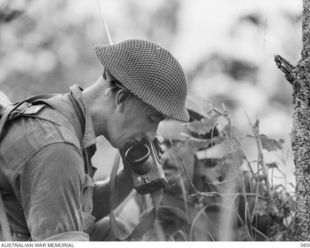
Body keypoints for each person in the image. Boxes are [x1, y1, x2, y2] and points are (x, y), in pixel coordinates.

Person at [0, 39, 189, 241]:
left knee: (112, 231)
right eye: (152, 119)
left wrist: (128, 175)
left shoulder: (68, 117)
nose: (152, 133)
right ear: (121, 99)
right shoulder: (57, 146)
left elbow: (72, 211)